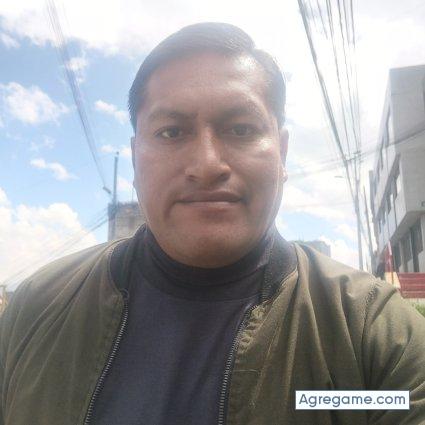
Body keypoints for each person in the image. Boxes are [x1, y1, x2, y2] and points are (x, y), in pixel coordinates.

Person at [0, 22, 424, 425]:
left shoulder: (371, 335)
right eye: (171, 132)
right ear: (134, 158)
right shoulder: (38, 308)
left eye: (240, 128)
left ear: (281, 153)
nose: (206, 165)